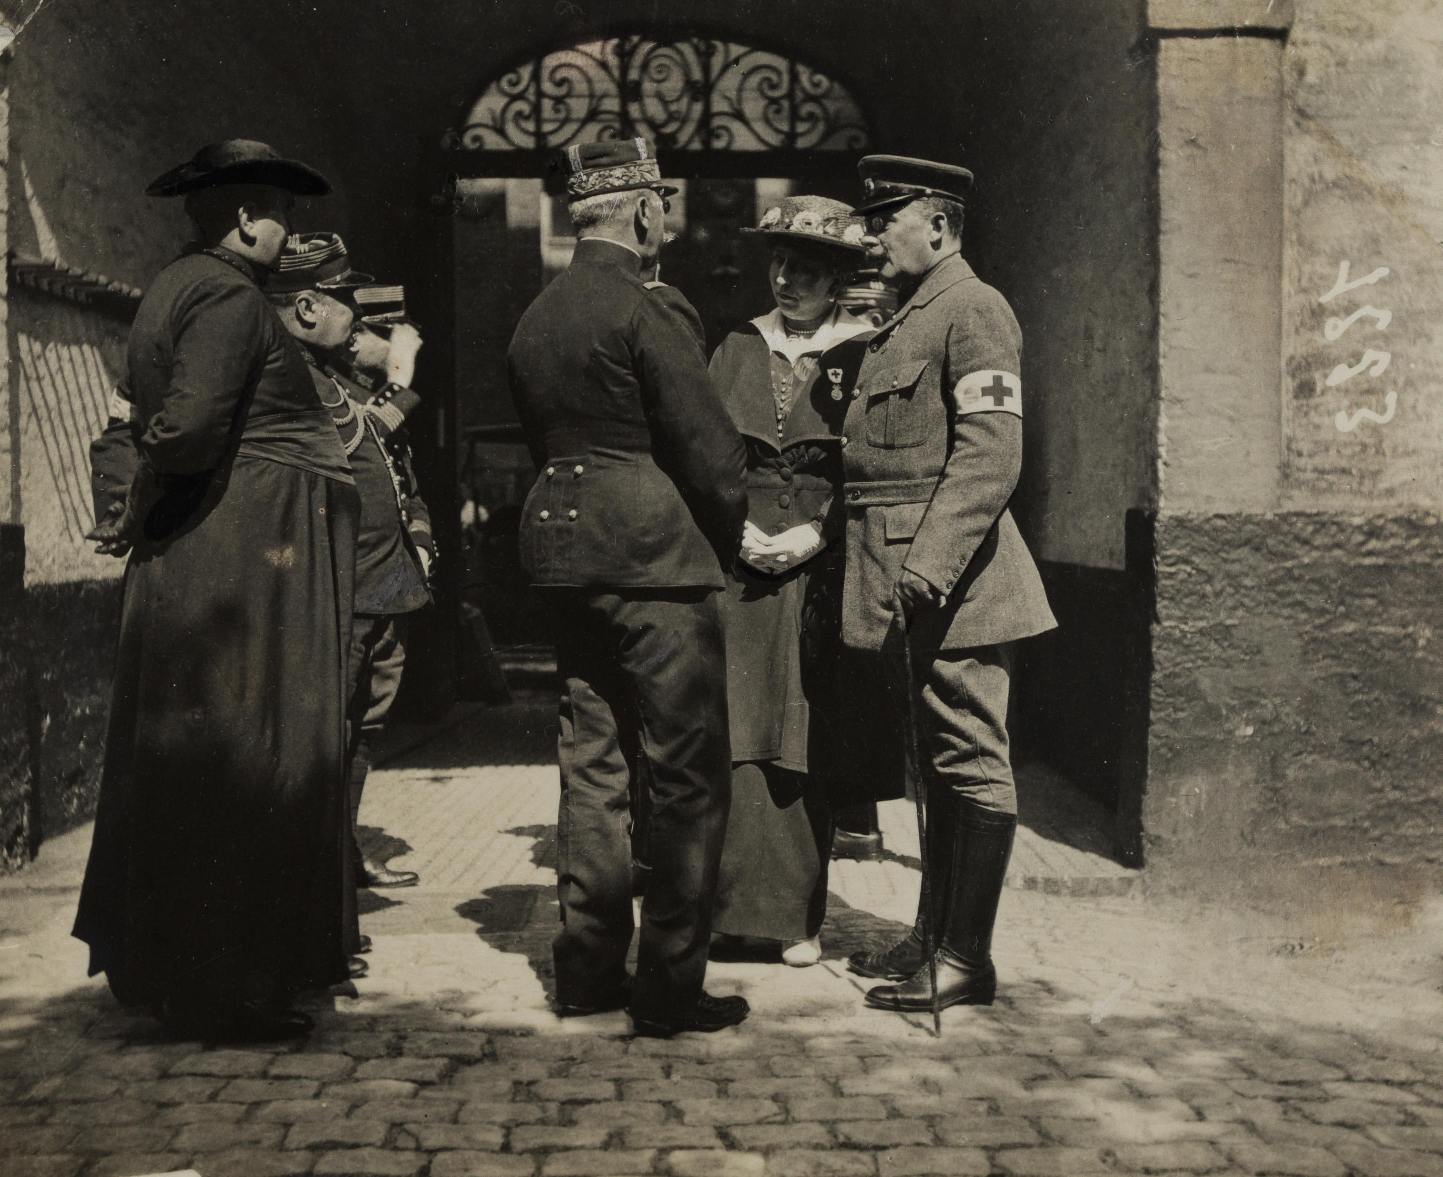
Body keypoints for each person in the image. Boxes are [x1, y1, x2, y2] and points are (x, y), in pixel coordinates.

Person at [73, 140, 358, 1040]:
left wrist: (140, 502)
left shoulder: (172, 287)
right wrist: (156, 486)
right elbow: (189, 427)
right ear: (244, 217)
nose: (287, 229)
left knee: (198, 759)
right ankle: (227, 984)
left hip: (210, 548)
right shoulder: (232, 295)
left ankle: (185, 968)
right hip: (246, 554)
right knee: (250, 752)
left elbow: (150, 419)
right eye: (279, 211)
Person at [506, 138, 750, 1037]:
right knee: (686, 776)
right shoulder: (647, 309)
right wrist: (720, 543)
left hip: (567, 559)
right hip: (656, 563)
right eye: (664, 208)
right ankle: (670, 991)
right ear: (644, 211)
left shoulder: (535, 317)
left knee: (591, 763)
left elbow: (544, 441)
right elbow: (712, 453)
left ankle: (586, 975)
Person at [840, 155, 1057, 1015]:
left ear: (936, 224)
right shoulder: (908, 317)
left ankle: (964, 957)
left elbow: (989, 455)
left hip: (957, 583)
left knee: (969, 759)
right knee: (934, 761)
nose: (869, 232)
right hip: (907, 578)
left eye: (884, 215)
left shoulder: (973, 309)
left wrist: (925, 565)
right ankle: (935, 937)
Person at [706, 195, 872, 966]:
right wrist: (733, 524)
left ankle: (797, 919)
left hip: (821, 568)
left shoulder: (866, 349)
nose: (786, 277)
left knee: (802, 730)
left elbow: (875, 467)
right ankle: (732, 912)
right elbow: (705, 452)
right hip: (739, 568)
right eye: (777, 261)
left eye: (805, 266)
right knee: (737, 729)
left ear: (838, 277)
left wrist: (818, 531)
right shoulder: (736, 345)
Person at [267, 234, 435, 919]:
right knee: (331, 730)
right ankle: (318, 880)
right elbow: (357, 442)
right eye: (347, 305)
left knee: (363, 728)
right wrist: (402, 375)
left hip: (384, 580)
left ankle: (340, 857)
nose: (358, 322)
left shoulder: (337, 379)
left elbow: (399, 475)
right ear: (307, 308)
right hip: (340, 585)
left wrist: (420, 539)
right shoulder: (292, 375)